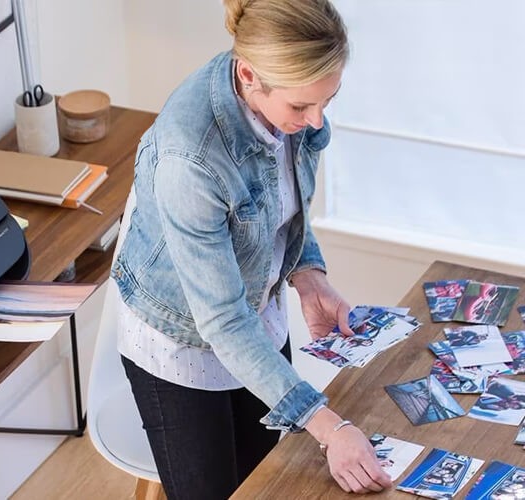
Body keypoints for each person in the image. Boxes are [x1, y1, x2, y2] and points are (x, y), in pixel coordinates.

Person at [109, 0, 392, 497]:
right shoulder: (191, 158)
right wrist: (331, 428)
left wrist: (308, 275)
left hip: (254, 316)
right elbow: (221, 320)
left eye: (328, 100)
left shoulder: (288, 105)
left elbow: (282, 205)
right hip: (183, 339)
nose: (316, 120)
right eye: (302, 106)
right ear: (248, 75)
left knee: (267, 484)